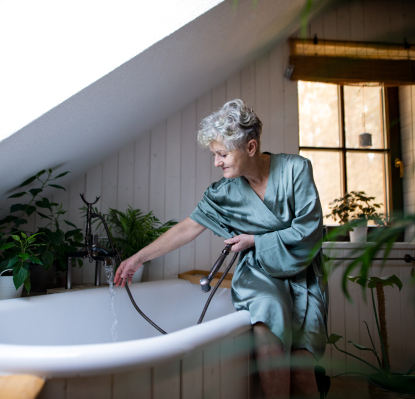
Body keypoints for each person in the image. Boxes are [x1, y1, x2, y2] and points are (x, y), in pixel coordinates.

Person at [114, 99, 327, 399]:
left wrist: (254, 240)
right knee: (268, 312)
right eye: (214, 154)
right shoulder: (223, 192)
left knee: (303, 368)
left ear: (250, 148)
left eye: (222, 154)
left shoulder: (296, 169)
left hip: (303, 273)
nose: (216, 162)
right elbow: (188, 227)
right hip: (261, 273)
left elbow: (310, 230)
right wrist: (139, 258)